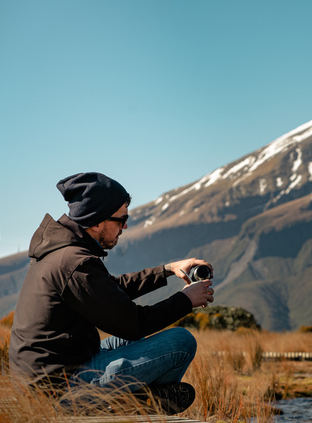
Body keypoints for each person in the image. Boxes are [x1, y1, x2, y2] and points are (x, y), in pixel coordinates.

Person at [9, 172, 214, 415]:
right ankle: (136, 405)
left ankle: (138, 400)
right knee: (181, 342)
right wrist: (186, 300)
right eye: (121, 219)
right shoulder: (74, 262)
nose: (125, 226)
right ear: (96, 221)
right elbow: (133, 323)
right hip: (58, 391)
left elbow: (110, 290)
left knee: (132, 342)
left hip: (52, 375)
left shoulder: (64, 252)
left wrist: (167, 270)